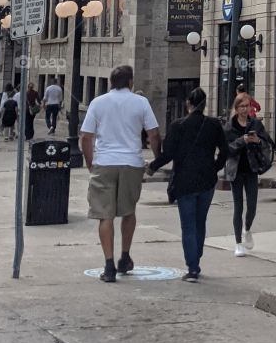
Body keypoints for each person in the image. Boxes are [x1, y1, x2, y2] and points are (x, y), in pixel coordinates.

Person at [80, 65, 161, 284]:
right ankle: (125, 256)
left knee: (105, 215)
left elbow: (86, 136)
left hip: (104, 162)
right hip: (131, 162)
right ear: (131, 82)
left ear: (110, 82)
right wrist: (157, 159)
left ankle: (109, 265)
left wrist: (90, 162)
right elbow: (153, 133)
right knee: (128, 211)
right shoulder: (141, 102)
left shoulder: (98, 103)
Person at [148, 87, 227, 281]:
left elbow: (168, 154)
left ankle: (193, 266)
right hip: (207, 179)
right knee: (200, 221)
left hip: (184, 180)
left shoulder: (177, 126)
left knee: (188, 225)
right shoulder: (214, 124)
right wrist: (214, 167)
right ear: (205, 104)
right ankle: (196, 257)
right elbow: (225, 151)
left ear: (188, 104)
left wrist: (152, 166)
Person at [224, 92, 275, 256]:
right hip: (235, 170)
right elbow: (227, 149)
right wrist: (242, 140)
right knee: (238, 206)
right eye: (242, 106)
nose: (245, 109)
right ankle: (238, 243)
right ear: (236, 108)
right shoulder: (229, 127)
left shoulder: (255, 124)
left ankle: (247, 228)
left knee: (252, 206)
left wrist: (257, 141)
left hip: (252, 169)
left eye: (247, 106)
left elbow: (268, 143)